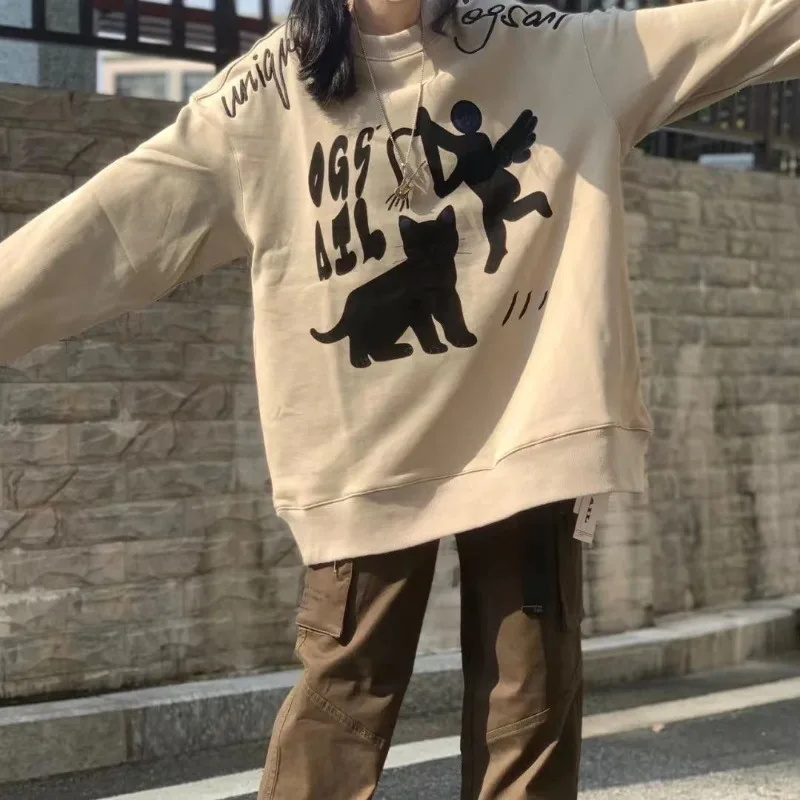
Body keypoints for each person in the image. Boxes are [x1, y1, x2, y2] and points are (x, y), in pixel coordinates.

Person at [0, 0, 798, 796]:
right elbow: (109, 229)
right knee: (342, 705)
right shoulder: (261, 101)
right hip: (366, 451)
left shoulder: (553, 50)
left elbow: (755, 27)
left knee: (529, 696)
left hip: (526, 428)